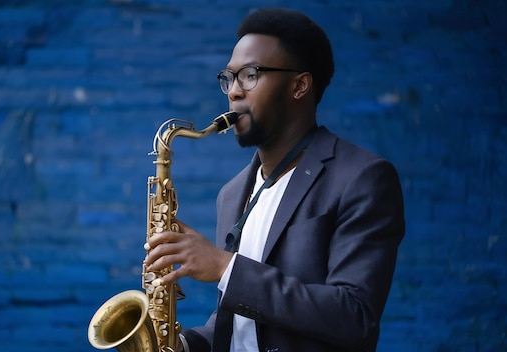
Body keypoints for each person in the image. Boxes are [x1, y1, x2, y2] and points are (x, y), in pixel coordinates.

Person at [145, 8, 405, 352]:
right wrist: (183, 345)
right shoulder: (232, 193)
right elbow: (245, 325)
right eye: (229, 78)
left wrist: (224, 267)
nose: (233, 92)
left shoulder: (363, 178)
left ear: (299, 85)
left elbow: (353, 317)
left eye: (250, 75)